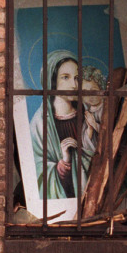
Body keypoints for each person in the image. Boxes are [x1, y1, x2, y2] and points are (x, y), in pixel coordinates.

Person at [30, 50, 85, 199]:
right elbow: (37, 170)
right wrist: (63, 165)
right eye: (65, 77)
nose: (74, 85)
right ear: (51, 80)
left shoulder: (88, 115)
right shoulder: (39, 123)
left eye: (77, 78)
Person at [80, 65, 106, 159]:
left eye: (93, 91)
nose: (90, 96)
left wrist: (94, 124)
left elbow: (111, 134)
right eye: (85, 92)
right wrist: (90, 129)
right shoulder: (88, 113)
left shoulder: (107, 108)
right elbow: (85, 143)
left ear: (101, 89)